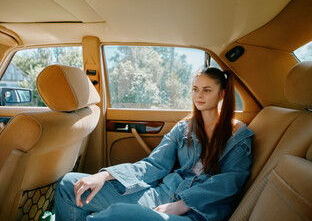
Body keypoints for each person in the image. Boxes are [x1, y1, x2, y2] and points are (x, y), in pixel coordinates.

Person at [55, 67, 254, 221]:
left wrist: (184, 204)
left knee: (118, 214)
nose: (198, 96)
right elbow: (154, 164)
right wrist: (104, 175)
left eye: (207, 90)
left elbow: (230, 181)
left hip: (199, 211)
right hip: (163, 192)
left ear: (221, 94)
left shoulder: (238, 135)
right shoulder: (184, 128)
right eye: (195, 89)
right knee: (69, 185)